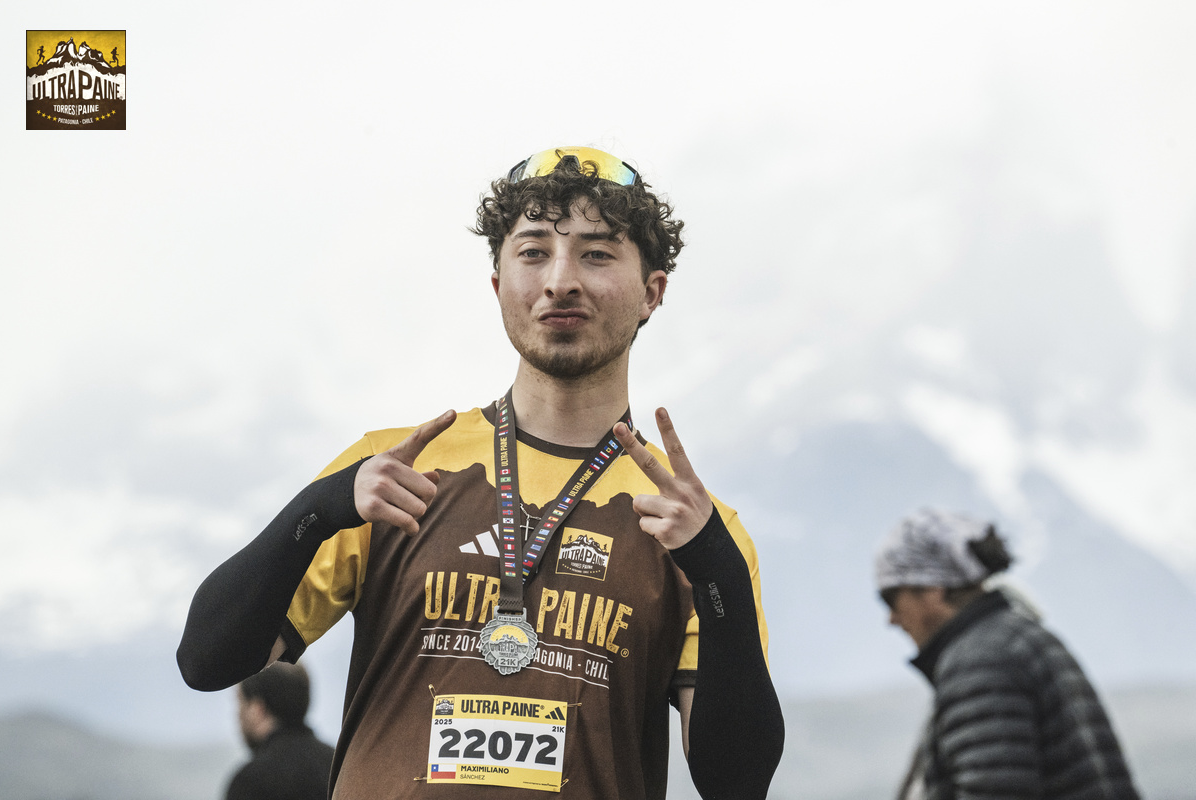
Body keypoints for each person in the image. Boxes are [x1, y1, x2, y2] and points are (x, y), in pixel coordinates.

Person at [178, 146, 784, 799]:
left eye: (597, 254)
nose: (560, 280)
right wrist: (319, 507)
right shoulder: (393, 473)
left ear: (651, 293)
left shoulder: (693, 528)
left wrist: (718, 572)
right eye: (533, 252)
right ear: (499, 285)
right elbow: (209, 661)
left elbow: (736, 782)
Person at [875, 508, 1140, 800]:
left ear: (932, 589)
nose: (892, 619)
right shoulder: (1016, 639)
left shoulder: (980, 663)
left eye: (890, 598)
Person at [228, 662, 335, 800]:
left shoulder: (249, 782)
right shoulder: (339, 766)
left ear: (257, 709)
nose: (238, 715)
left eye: (241, 702)